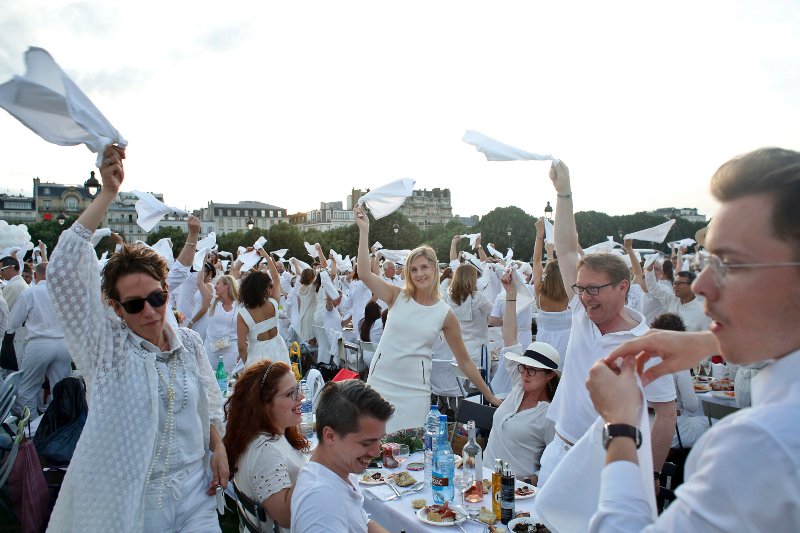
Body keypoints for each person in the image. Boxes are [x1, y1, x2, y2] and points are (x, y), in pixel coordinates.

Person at [586, 147, 800, 532]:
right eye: (706, 261)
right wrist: (707, 342)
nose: (700, 284)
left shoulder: (762, 444)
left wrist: (620, 426)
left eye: (730, 263)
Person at [46, 145, 227, 532]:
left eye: (157, 298)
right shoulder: (106, 349)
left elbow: (210, 407)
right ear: (115, 307)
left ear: (167, 291)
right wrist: (106, 195)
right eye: (134, 304)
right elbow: (62, 272)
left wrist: (218, 446)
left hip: (197, 494)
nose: (149, 311)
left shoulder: (190, 344)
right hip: (137, 501)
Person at [537, 160, 677, 488]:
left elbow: (666, 412)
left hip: (608, 466)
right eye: (581, 288)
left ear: (622, 287)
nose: (585, 298)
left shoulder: (646, 344)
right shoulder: (580, 311)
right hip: (559, 451)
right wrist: (564, 194)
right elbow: (566, 249)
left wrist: (652, 476)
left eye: (594, 290)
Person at [354, 205, 500, 433]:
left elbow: (464, 361)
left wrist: (489, 395)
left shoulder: (445, 314)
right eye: (413, 269)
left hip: (415, 391)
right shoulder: (396, 295)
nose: (419, 274)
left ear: (434, 268)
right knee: (372, 443)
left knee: (411, 447)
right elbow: (364, 273)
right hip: (381, 381)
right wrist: (364, 231)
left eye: (424, 267)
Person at [484, 272, 558, 485]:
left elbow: (557, 461)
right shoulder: (519, 386)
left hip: (516, 490)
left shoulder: (549, 415)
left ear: (550, 375)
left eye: (533, 370)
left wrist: (532, 479)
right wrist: (510, 295)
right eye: (524, 367)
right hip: (484, 480)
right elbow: (510, 337)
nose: (525, 373)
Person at [290, 379, 393, 533]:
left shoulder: (341, 472)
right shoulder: (320, 502)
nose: (376, 452)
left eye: (380, 440)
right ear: (330, 436)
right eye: (366, 443)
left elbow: (362, 523)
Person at [225, 360, 309, 532]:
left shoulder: (255, 436)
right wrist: (320, 463)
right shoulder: (266, 452)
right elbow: (285, 517)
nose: (301, 397)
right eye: (290, 393)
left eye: (298, 388)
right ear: (263, 404)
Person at [8, 262, 72, 415]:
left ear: (35, 275)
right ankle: (62, 422)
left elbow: (13, 322)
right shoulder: (64, 295)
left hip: (39, 343)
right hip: (63, 344)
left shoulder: (30, 293)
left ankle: (30, 424)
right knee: (61, 388)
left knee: (28, 387)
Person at [237, 253, 290, 369]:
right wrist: (266, 255)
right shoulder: (273, 303)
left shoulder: (243, 314)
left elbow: (241, 347)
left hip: (257, 359)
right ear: (265, 288)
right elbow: (276, 278)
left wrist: (247, 363)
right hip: (279, 353)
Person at [532, 218, 571, 368]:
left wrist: (539, 234)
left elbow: (536, 261)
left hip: (543, 342)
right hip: (567, 342)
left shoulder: (539, 291)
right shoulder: (570, 294)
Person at [443, 263, 493, 366]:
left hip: (459, 347)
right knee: (480, 376)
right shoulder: (478, 297)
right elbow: (494, 315)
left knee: (460, 375)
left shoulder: (449, 298)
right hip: (478, 347)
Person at [643, 268, 711, 332]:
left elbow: (706, 337)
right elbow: (653, 288)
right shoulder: (671, 300)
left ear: (693, 286)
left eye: (679, 283)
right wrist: (649, 270)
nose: (675, 286)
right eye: (675, 283)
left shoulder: (703, 313)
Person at [201, 274, 240, 372]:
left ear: (226, 286)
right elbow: (199, 283)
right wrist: (201, 264)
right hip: (211, 346)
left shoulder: (240, 305)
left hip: (231, 348)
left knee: (229, 376)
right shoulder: (213, 301)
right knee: (209, 375)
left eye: (218, 283)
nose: (214, 287)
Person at [358, 301, 384, 367]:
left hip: (366, 358)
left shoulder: (362, 323)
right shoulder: (380, 323)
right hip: (376, 360)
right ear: (377, 312)